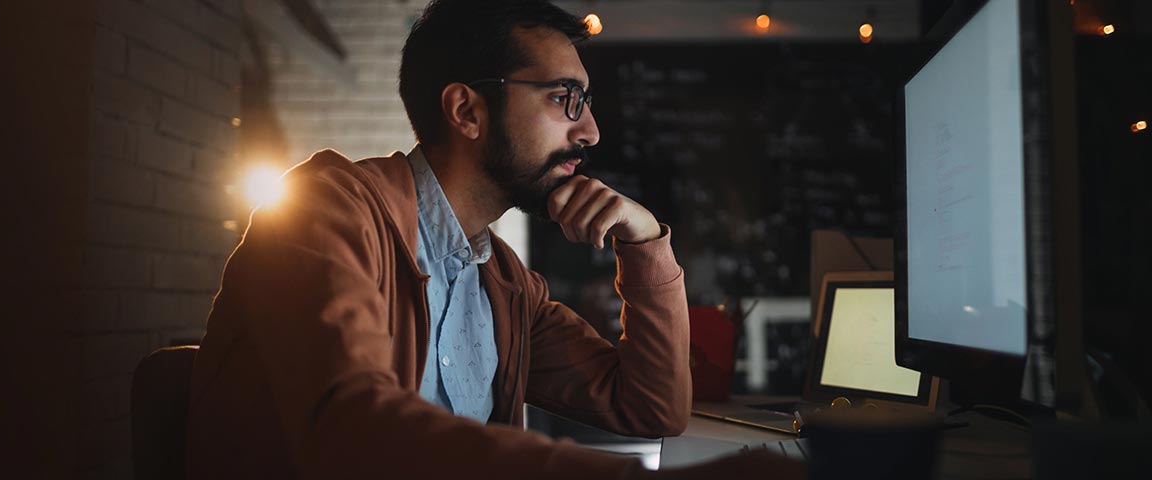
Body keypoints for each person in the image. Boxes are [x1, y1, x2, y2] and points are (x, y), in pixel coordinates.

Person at [185, 1, 803, 478]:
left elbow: (649, 408)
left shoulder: (504, 284)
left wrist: (646, 244)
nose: (590, 130)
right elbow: (348, 428)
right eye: (566, 99)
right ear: (467, 111)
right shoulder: (326, 212)